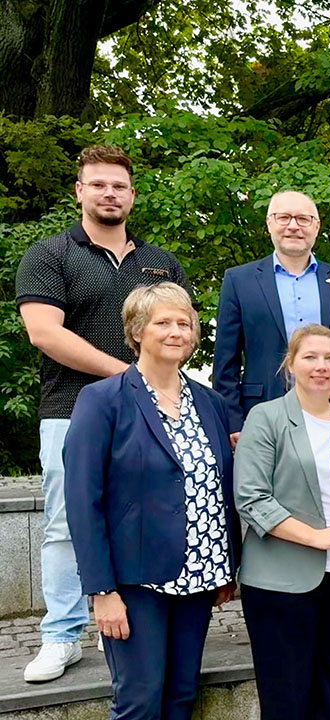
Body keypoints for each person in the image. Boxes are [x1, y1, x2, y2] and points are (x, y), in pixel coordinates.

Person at [15, 145, 191, 683]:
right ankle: (61, 635)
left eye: (119, 186)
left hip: (154, 411)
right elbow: (45, 333)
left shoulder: (160, 262)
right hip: (71, 410)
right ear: (80, 192)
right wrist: (126, 375)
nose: (109, 193)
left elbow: (176, 332)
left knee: (143, 512)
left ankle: (125, 619)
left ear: (132, 196)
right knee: (69, 523)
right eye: (98, 184)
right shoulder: (49, 254)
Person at [63, 283, 237, 719]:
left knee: (181, 697)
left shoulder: (209, 403)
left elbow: (220, 487)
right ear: (138, 330)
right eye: (163, 322)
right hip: (136, 582)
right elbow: (83, 501)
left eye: (185, 323)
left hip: (201, 576)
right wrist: (102, 591)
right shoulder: (103, 400)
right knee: (139, 703)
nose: (176, 331)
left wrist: (226, 567)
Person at [233, 324, 330, 720]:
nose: (321, 366)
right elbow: (251, 498)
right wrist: (315, 538)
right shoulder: (265, 418)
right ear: (291, 364)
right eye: (310, 357)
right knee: (286, 695)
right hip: (281, 580)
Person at [213, 190, 330, 444]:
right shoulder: (239, 281)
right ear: (269, 224)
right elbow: (225, 362)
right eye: (284, 217)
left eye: (303, 219)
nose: (293, 226)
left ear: (317, 227)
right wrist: (233, 422)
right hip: (260, 416)